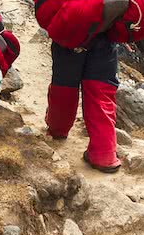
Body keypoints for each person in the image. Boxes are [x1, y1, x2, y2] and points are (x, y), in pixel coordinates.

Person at [46, 34, 122, 173]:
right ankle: (104, 154)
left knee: (64, 86)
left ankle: (58, 129)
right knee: (100, 92)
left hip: (70, 34)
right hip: (106, 34)